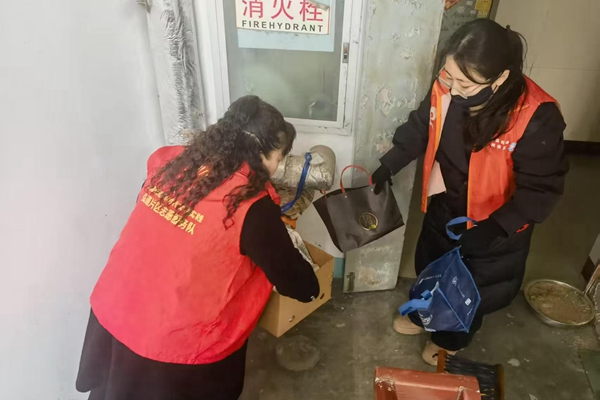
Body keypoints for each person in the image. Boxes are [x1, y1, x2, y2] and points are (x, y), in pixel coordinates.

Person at [76, 95, 320, 400]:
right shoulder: (249, 207)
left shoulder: (170, 164)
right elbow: (296, 282)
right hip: (170, 345)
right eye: (278, 157)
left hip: (115, 309)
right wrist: (311, 287)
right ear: (260, 153)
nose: (277, 166)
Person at [372, 20, 568, 365]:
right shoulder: (446, 85)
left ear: (500, 78)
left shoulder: (536, 116)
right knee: (432, 266)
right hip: (446, 203)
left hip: (494, 225)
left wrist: (495, 228)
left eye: (465, 83)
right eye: (448, 76)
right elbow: (422, 124)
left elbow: (541, 187)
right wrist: (391, 162)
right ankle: (423, 315)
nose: (453, 87)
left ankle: (449, 340)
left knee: (470, 288)